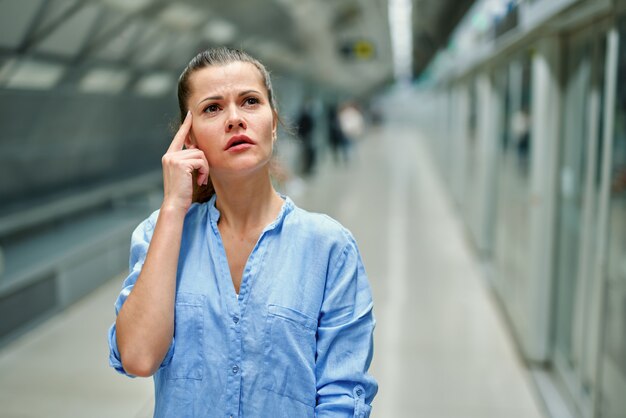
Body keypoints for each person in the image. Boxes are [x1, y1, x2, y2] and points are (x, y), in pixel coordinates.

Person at [107, 47, 377, 418]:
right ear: (190, 140)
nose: (234, 119)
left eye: (250, 101)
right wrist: (173, 208)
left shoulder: (329, 248)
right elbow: (138, 356)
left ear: (273, 123)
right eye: (212, 108)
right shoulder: (160, 234)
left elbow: (342, 396)